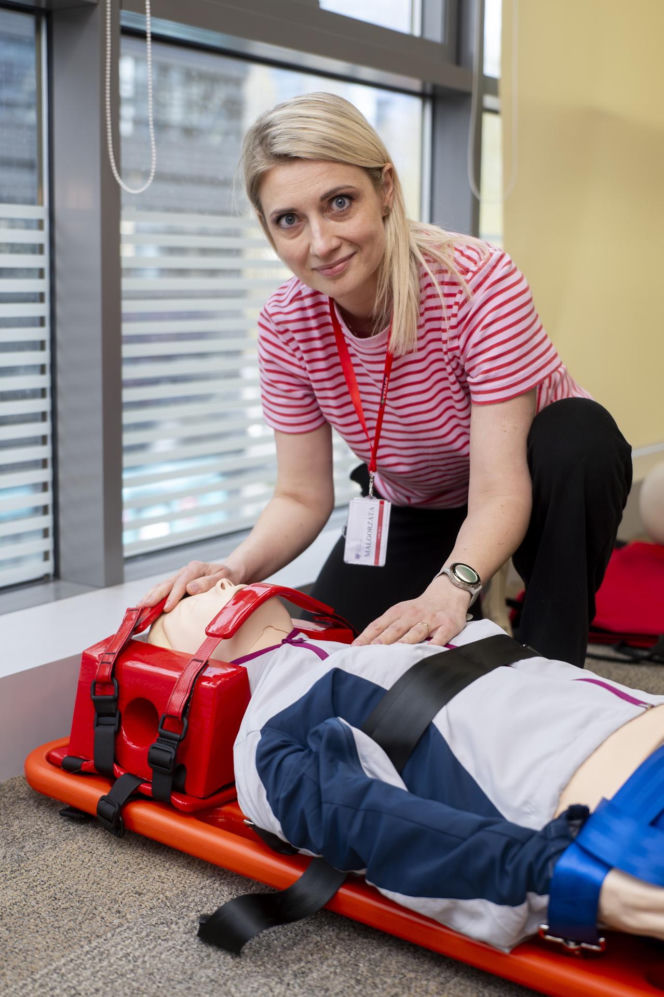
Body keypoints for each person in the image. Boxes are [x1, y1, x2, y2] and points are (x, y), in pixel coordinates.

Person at [142, 92, 632, 666]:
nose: (321, 243)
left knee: (579, 437)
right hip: (414, 499)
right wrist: (234, 568)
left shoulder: (478, 282)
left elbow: (500, 490)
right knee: (343, 656)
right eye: (290, 220)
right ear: (267, 227)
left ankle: (552, 676)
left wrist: (453, 587)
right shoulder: (285, 322)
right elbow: (300, 495)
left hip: (534, 479)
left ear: (387, 191)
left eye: (340, 203)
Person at [148, 580, 664, 952]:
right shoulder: (267, 734)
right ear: (186, 670)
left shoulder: (394, 636)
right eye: (191, 600)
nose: (218, 579)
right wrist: (576, 883)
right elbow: (381, 826)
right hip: (630, 810)